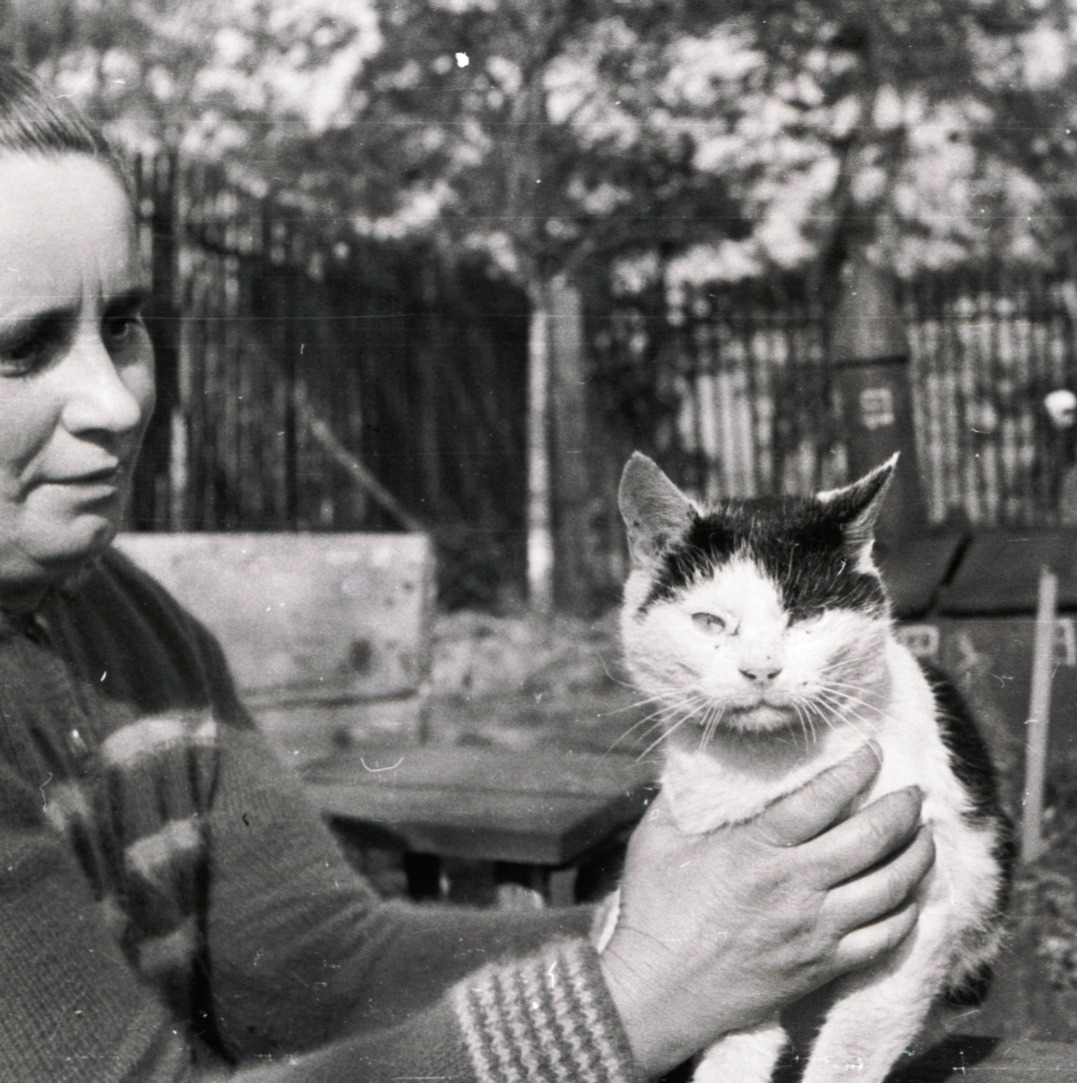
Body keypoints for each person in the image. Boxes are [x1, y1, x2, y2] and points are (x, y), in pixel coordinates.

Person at [0, 62, 935, 1082]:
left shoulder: (131, 625)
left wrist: (679, 932)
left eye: (124, 323)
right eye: (23, 348)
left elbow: (321, 970)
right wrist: (643, 996)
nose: (116, 401)